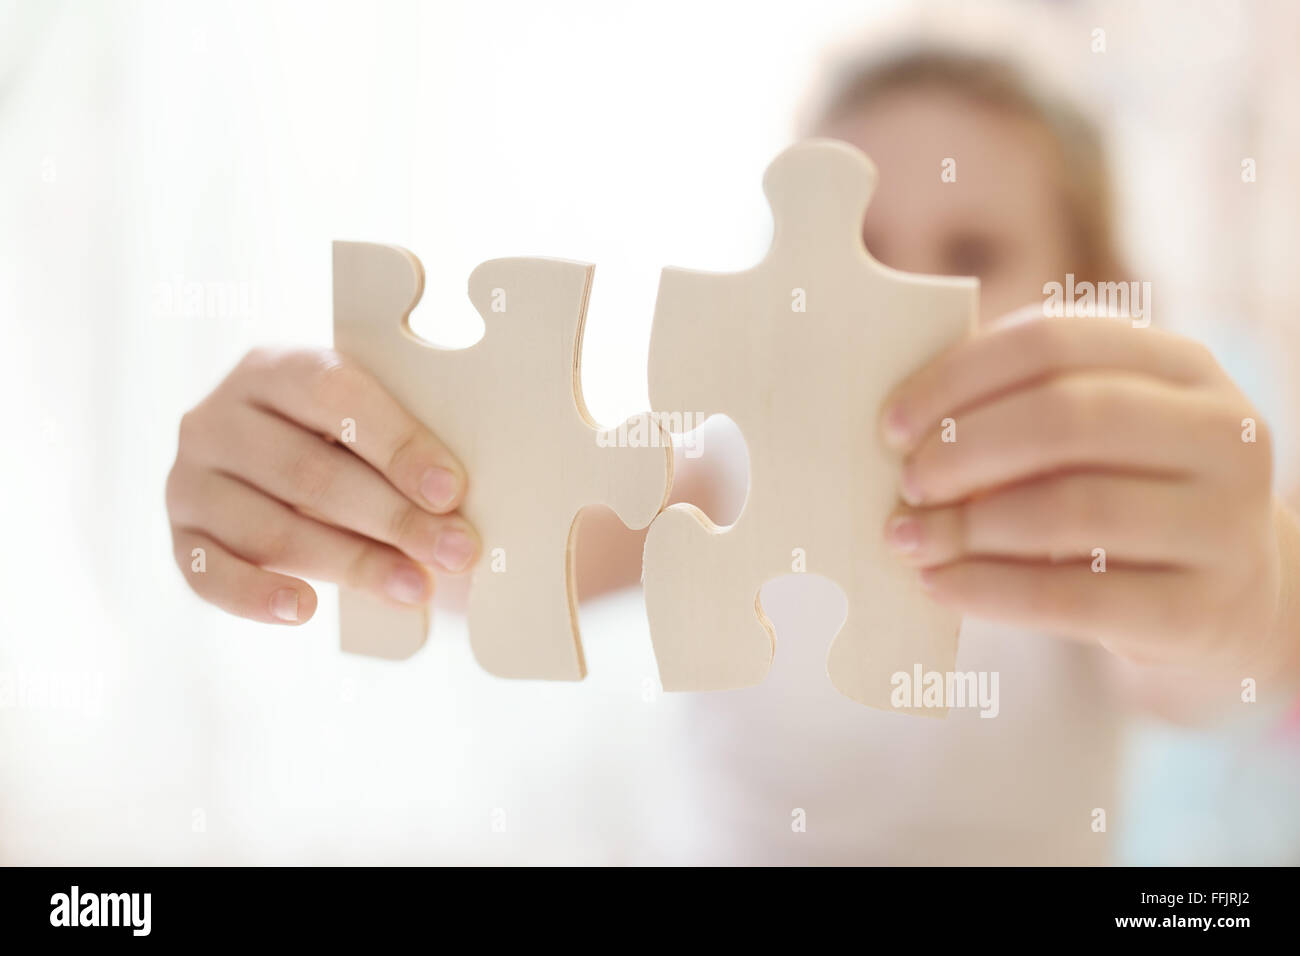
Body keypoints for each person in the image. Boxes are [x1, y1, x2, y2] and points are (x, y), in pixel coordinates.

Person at [164, 45, 1300, 863]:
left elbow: (1208, 654)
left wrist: (1253, 588)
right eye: (854, 248)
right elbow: (496, 553)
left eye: (969, 251)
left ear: (1080, 298)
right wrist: (330, 478)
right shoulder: (712, 463)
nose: (892, 302)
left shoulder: (1097, 515)